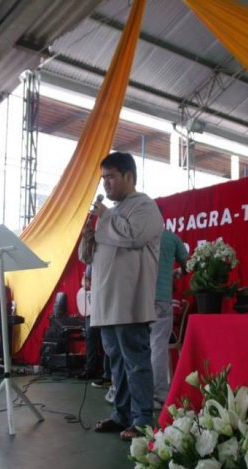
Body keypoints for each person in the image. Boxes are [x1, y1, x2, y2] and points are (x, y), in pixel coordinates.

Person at [79, 151, 163, 441]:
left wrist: (105, 217)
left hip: (129, 302)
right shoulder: (108, 214)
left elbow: (134, 236)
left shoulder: (145, 206)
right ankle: (121, 414)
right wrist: (87, 236)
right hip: (105, 302)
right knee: (116, 361)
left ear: (129, 176)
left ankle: (142, 419)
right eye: (103, 178)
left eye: (111, 176)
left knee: (135, 362)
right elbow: (86, 257)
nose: (106, 183)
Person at [151, 229, 188, 409]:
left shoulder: (141, 234)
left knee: (138, 348)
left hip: (138, 298)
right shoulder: (171, 238)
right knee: (158, 347)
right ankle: (158, 395)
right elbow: (188, 265)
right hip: (162, 299)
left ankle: (138, 394)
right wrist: (176, 272)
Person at [76, 265, 111, 385]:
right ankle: (91, 368)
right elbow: (84, 279)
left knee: (107, 339)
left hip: (107, 304)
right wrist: (86, 283)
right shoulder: (91, 263)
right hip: (93, 307)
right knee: (90, 336)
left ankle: (108, 374)